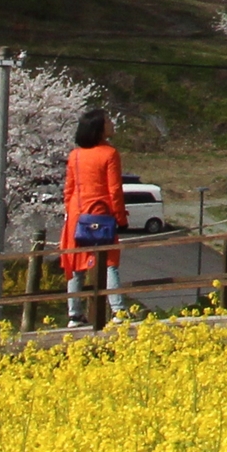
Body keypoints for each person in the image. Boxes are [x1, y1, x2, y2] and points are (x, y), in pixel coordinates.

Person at [59, 107, 130, 323]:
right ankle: (118, 310)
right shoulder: (109, 154)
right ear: (100, 129)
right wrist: (120, 218)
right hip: (101, 214)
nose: (112, 124)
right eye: (108, 121)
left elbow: (68, 189)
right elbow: (114, 190)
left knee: (76, 263)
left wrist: (69, 212)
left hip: (76, 215)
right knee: (109, 262)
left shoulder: (75, 155)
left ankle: (74, 313)